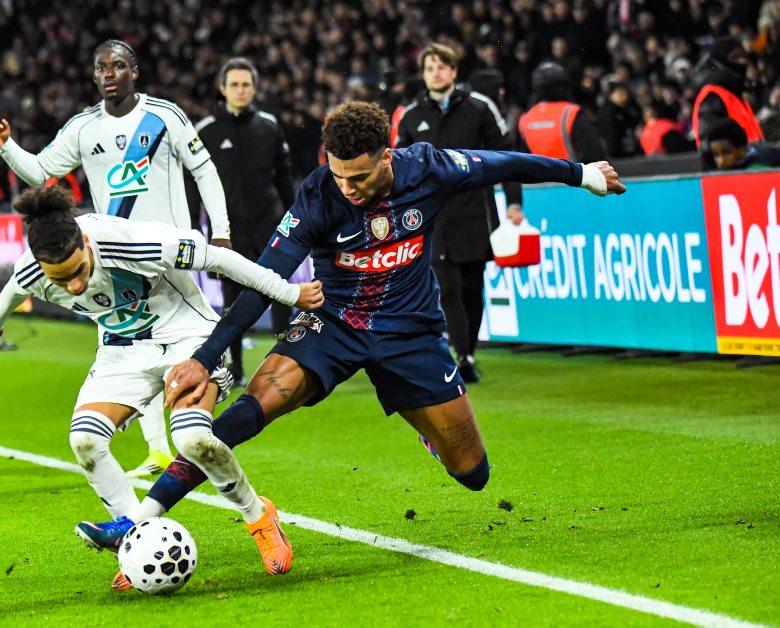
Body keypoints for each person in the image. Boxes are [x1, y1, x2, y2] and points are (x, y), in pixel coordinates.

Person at [78, 101, 626, 541]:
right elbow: (264, 278)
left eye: (359, 177)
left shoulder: (429, 169)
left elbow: (501, 163)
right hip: (331, 325)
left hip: (411, 332)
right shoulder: (318, 195)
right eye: (339, 175)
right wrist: (205, 357)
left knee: (473, 474)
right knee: (252, 408)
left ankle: (423, 422)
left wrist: (580, 174)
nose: (347, 187)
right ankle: (139, 520)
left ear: (387, 157)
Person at [0, 186, 324, 587]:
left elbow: (220, 258)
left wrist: (290, 293)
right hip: (121, 351)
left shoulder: (135, 243)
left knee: (193, 440)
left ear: (86, 242)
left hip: (187, 338)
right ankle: (137, 541)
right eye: (61, 279)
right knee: (85, 442)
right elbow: (13, 290)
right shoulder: (33, 270)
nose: (73, 286)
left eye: (78, 271)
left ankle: (258, 515)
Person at [0, 40, 233, 478]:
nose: (109, 74)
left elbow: (203, 169)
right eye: (102, 68)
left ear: (134, 71)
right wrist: (7, 147)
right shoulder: (83, 127)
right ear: (94, 76)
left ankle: (212, 388)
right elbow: (41, 172)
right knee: (133, 348)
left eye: (118, 66)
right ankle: (158, 449)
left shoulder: (165, 116)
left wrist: (222, 231)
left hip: (169, 257)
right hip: (114, 260)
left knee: (177, 339)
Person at [396, 42, 523, 383]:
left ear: (453, 71)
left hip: (474, 209)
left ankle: (468, 351)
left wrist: (514, 202)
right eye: (430, 68)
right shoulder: (411, 116)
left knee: (471, 286)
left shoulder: (480, 107)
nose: (436, 73)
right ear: (423, 75)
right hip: (434, 215)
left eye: (441, 66)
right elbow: (399, 167)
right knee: (447, 287)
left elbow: (506, 155)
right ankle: (462, 355)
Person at [192, 57, 296, 386]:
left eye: (246, 84)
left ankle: (283, 365)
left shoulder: (269, 126)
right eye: (234, 84)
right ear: (222, 89)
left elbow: (284, 179)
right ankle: (235, 368)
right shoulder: (205, 131)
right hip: (229, 232)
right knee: (232, 300)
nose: (241, 90)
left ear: (254, 88)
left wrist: (296, 220)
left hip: (270, 226)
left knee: (281, 294)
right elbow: (192, 185)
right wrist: (194, 228)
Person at [692, 36, 765, 170]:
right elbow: (710, 145)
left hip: (752, 169)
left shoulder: (736, 95)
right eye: (735, 57)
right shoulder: (713, 96)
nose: (742, 62)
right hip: (730, 174)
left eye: (744, 57)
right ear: (719, 62)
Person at [518, 61, 607, 163]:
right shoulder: (572, 114)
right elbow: (595, 156)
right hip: (573, 172)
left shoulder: (525, 120)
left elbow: (521, 161)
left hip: (540, 173)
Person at [708, 118, 780, 170]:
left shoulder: (761, 168)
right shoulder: (715, 174)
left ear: (742, 150)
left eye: (726, 153)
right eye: (716, 155)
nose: (721, 161)